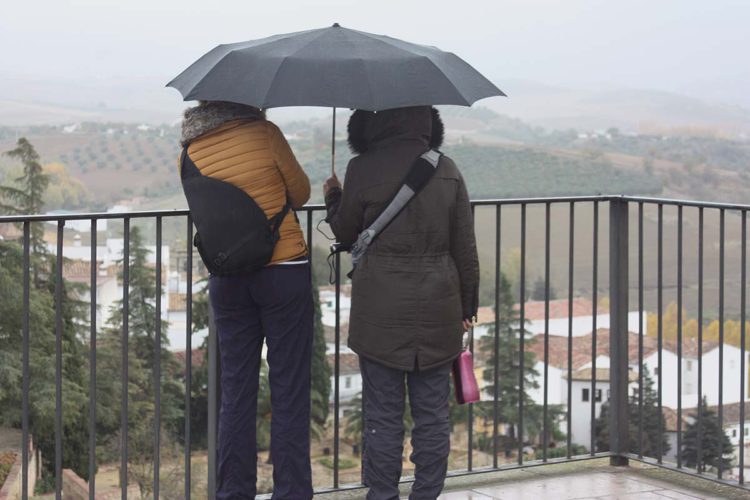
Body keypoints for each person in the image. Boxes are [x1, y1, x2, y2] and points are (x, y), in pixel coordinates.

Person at [324, 106, 479, 499]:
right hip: (439, 308)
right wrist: (467, 307)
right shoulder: (447, 169)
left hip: (379, 311)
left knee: (382, 416)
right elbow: (465, 247)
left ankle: (382, 494)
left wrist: (333, 197)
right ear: (426, 121)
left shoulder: (363, 167)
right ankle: (426, 493)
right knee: (432, 415)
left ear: (376, 121)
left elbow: (345, 232)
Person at [179, 100, 313, 499]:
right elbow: (301, 193)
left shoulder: (189, 152)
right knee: (288, 387)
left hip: (228, 278)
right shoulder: (264, 134)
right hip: (283, 270)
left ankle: (234, 491)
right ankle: (290, 492)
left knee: (235, 389)